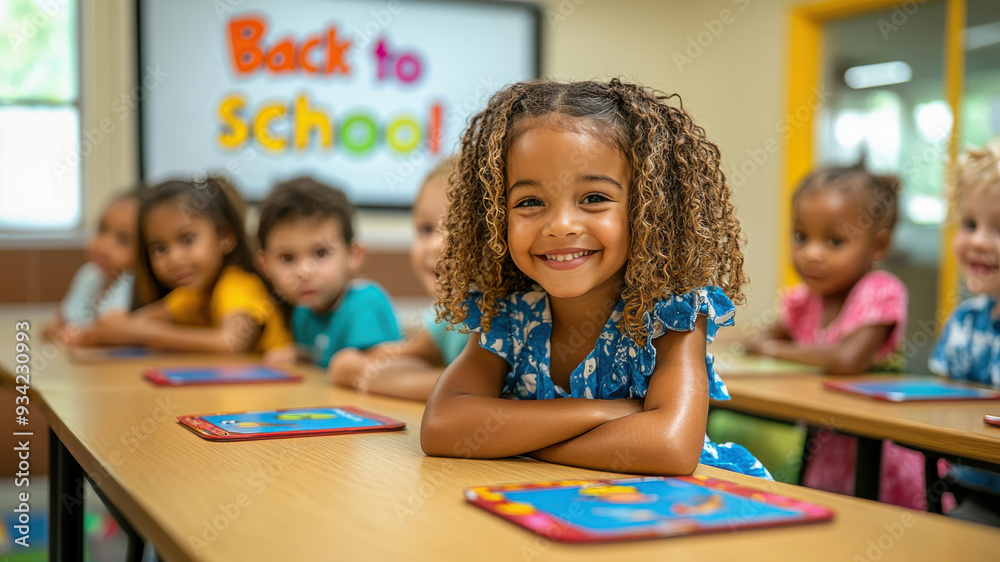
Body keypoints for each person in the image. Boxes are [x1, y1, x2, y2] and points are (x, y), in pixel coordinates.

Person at [419, 79, 769, 478]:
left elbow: (668, 447)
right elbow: (442, 426)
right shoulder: (505, 315)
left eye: (594, 198)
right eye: (530, 202)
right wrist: (609, 413)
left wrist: (518, 438)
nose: (561, 226)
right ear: (497, 216)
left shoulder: (672, 314)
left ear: (646, 209)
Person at [737, 165, 918, 504]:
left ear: (877, 246)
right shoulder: (805, 301)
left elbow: (846, 359)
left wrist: (775, 350)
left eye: (834, 241)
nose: (812, 253)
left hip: (877, 452)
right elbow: (758, 342)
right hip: (822, 447)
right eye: (801, 236)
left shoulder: (880, 291)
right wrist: (764, 345)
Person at [70, 177, 291, 353]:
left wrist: (142, 333)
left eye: (187, 240)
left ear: (225, 237)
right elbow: (128, 325)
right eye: (159, 248)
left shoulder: (238, 285)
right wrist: (96, 333)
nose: (174, 259)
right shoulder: (191, 295)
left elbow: (230, 342)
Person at [328, 157, 466, 400]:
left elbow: (468, 390)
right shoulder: (448, 315)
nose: (436, 245)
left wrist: (365, 374)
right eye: (426, 229)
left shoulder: (505, 316)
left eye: (457, 230)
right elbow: (412, 355)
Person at [255, 177, 401, 370]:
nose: (304, 272)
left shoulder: (365, 305)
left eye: (320, 253)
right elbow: (325, 363)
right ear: (265, 265)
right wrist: (302, 355)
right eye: (287, 258)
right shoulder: (303, 313)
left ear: (352, 254)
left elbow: (370, 374)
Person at [930, 139, 1000, 526]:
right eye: (970, 224)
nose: (978, 241)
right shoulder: (963, 322)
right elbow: (942, 405)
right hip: (971, 493)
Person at [44, 188, 140, 342]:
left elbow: (114, 329)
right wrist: (55, 326)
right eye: (102, 229)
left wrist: (82, 337)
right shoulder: (89, 274)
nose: (104, 246)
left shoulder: (131, 282)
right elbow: (61, 317)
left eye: (123, 239)